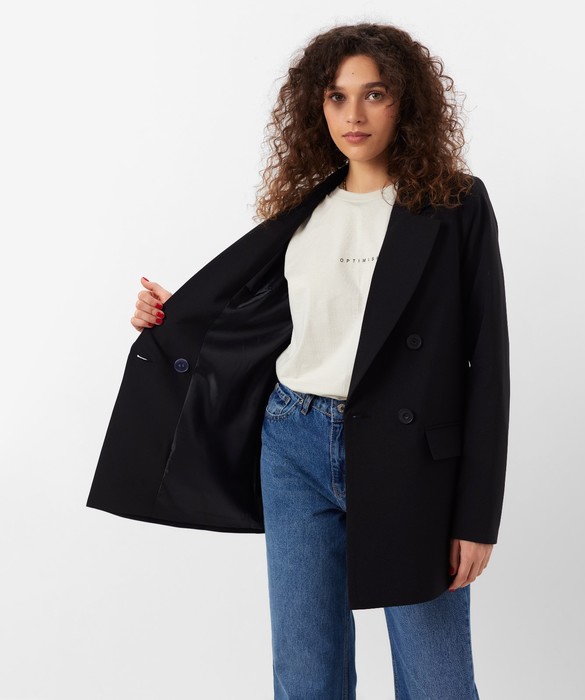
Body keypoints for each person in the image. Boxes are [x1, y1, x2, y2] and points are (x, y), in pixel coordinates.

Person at [110, 21, 508, 700]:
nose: (354, 114)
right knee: (304, 675)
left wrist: (477, 516)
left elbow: (488, 364)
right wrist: (177, 316)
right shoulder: (304, 209)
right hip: (292, 443)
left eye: (374, 94)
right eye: (336, 96)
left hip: (411, 458)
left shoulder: (455, 204)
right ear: (316, 107)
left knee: (437, 682)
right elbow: (264, 322)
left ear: (406, 101)